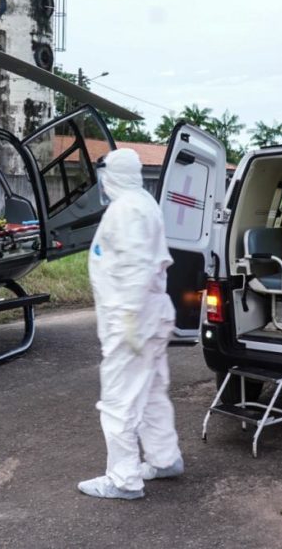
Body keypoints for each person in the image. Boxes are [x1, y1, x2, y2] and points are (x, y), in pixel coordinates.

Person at [77, 148, 184, 500]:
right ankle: (164, 459)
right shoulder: (142, 202)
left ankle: (123, 480)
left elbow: (138, 267)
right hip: (147, 315)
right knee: (151, 392)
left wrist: (127, 320)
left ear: (112, 175)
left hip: (133, 320)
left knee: (118, 400)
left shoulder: (126, 209)